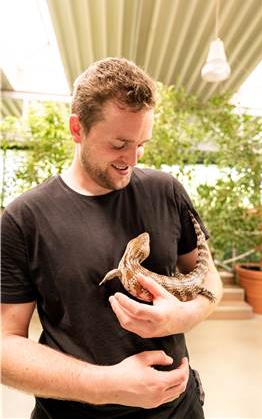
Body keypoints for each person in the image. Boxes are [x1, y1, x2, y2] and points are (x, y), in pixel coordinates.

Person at [1, 57, 223, 419]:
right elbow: (5, 347)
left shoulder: (166, 191)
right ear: (77, 128)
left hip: (178, 409)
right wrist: (105, 386)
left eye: (141, 144)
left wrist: (185, 315)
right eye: (119, 144)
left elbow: (206, 274)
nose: (132, 159)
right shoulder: (24, 219)